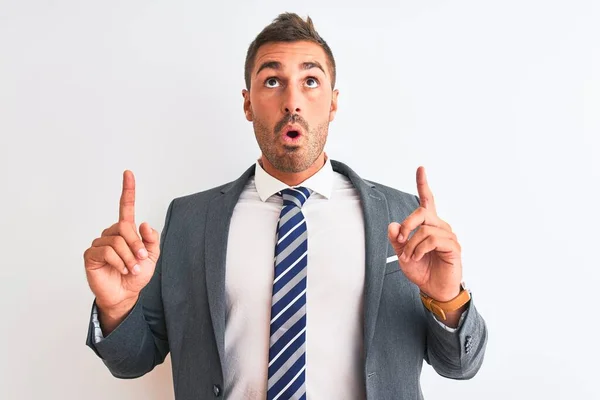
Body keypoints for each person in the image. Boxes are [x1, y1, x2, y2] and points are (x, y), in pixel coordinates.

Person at [84, 12, 487, 400]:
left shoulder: (404, 216)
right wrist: (116, 308)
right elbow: (134, 361)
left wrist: (448, 297)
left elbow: (459, 366)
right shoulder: (190, 220)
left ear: (332, 102)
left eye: (310, 80)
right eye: (273, 81)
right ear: (247, 103)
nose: (292, 100)